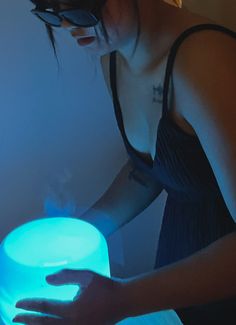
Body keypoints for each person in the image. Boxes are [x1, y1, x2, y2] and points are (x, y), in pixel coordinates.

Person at [14, 0, 236, 324]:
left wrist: (122, 299)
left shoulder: (205, 63)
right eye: (52, 13)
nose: (67, 27)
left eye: (78, 8)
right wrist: (80, 234)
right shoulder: (113, 60)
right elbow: (150, 170)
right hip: (178, 265)